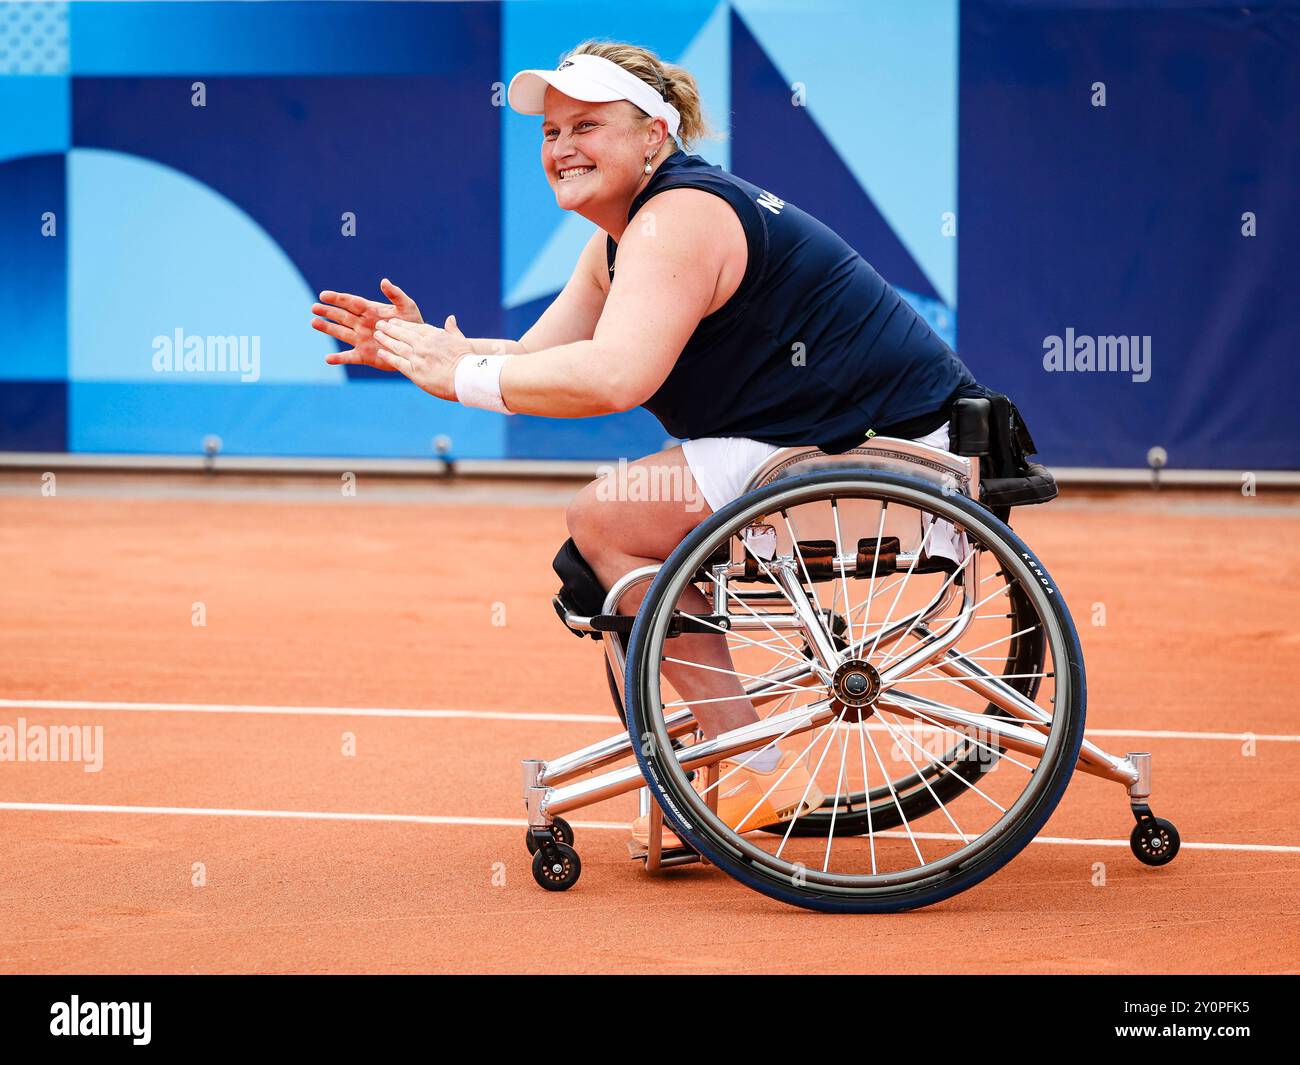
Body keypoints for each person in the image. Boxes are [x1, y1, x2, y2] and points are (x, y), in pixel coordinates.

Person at [310, 39, 989, 848]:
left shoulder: (677, 220)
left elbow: (614, 378)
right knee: (617, 519)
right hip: (850, 449)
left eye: (586, 126)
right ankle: (730, 757)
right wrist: (426, 351)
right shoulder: (626, 236)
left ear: (654, 137)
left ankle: (747, 768)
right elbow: (537, 362)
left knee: (609, 518)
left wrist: (462, 375)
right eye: (551, 132)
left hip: (897, 459)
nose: (562, 148)